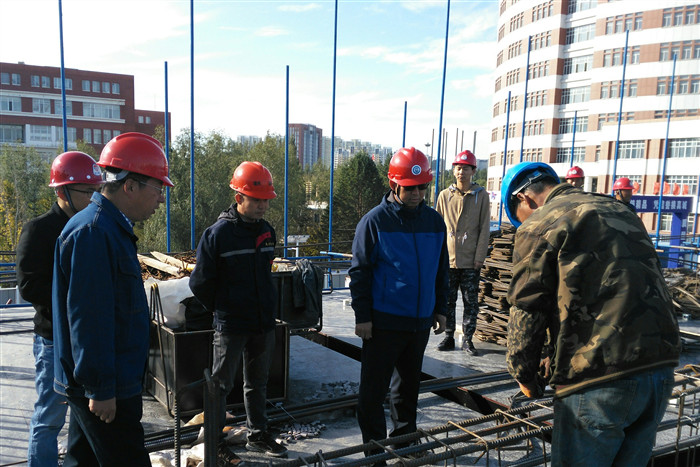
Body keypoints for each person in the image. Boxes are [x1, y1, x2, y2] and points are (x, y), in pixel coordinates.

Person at [501, 162, 681, 466]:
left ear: (524, 199)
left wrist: (525, 374)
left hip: (600, 380)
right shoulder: (620, 210)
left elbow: (527, 306)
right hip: (659, 370)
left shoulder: (542, 222)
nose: (523, 225)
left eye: (519, 220)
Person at [52, 133, 172, 466]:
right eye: (157, 188)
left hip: (104, 380)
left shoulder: (107, 228)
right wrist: (101, 388)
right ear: (130, 185)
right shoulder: (94, 232)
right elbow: (89, 317)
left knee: (83, 460)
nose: (160, 199)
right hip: (108, 387)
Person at [349, 147, 448, 457]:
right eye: (410, 188)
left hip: (419, 322)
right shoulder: (374, 222)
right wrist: (362, 316)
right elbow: (360, 272)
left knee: (407, 390)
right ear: (394, 185)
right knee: (372, 394)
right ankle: (375, 452)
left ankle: (405, 444)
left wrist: (442, 308)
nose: (417, 193)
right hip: (383, 322)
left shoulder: (434, 222)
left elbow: (440, 269)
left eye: (422, 187)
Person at [189, 161, 287, 459]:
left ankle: (258, 436)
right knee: (219, 386)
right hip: (231, 326)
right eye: (256, 200)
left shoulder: (267, 232)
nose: (262, 206)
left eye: (266, 200)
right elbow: (200, 282)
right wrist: (223, 309)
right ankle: (215, 447)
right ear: (238, 198)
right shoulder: (218, 235)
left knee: (257, 383)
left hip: (262, 323)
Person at [17, 151, 103, 466]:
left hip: (84, 339)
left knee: (83, 416)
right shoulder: (40, 230)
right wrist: (73, 301)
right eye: (86, 191)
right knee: (50, 416)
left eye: (97, 190)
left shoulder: (92, 227)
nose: (93, 197)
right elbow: (28, 287)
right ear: (61, 191)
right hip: (53, 338)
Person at [434, 150, 490, 355]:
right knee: (448, 300)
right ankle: (449, 336)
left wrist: (479, 258)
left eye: (466, 168)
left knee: (470, 301)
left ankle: (468, 339)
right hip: (448, 259)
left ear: (473, 170)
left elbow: (485, 228)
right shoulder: (444, 195)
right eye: (458, 168)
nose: (461, 172)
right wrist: (438, 257)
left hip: (470, 260)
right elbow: (437, 227)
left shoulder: (481, 196)